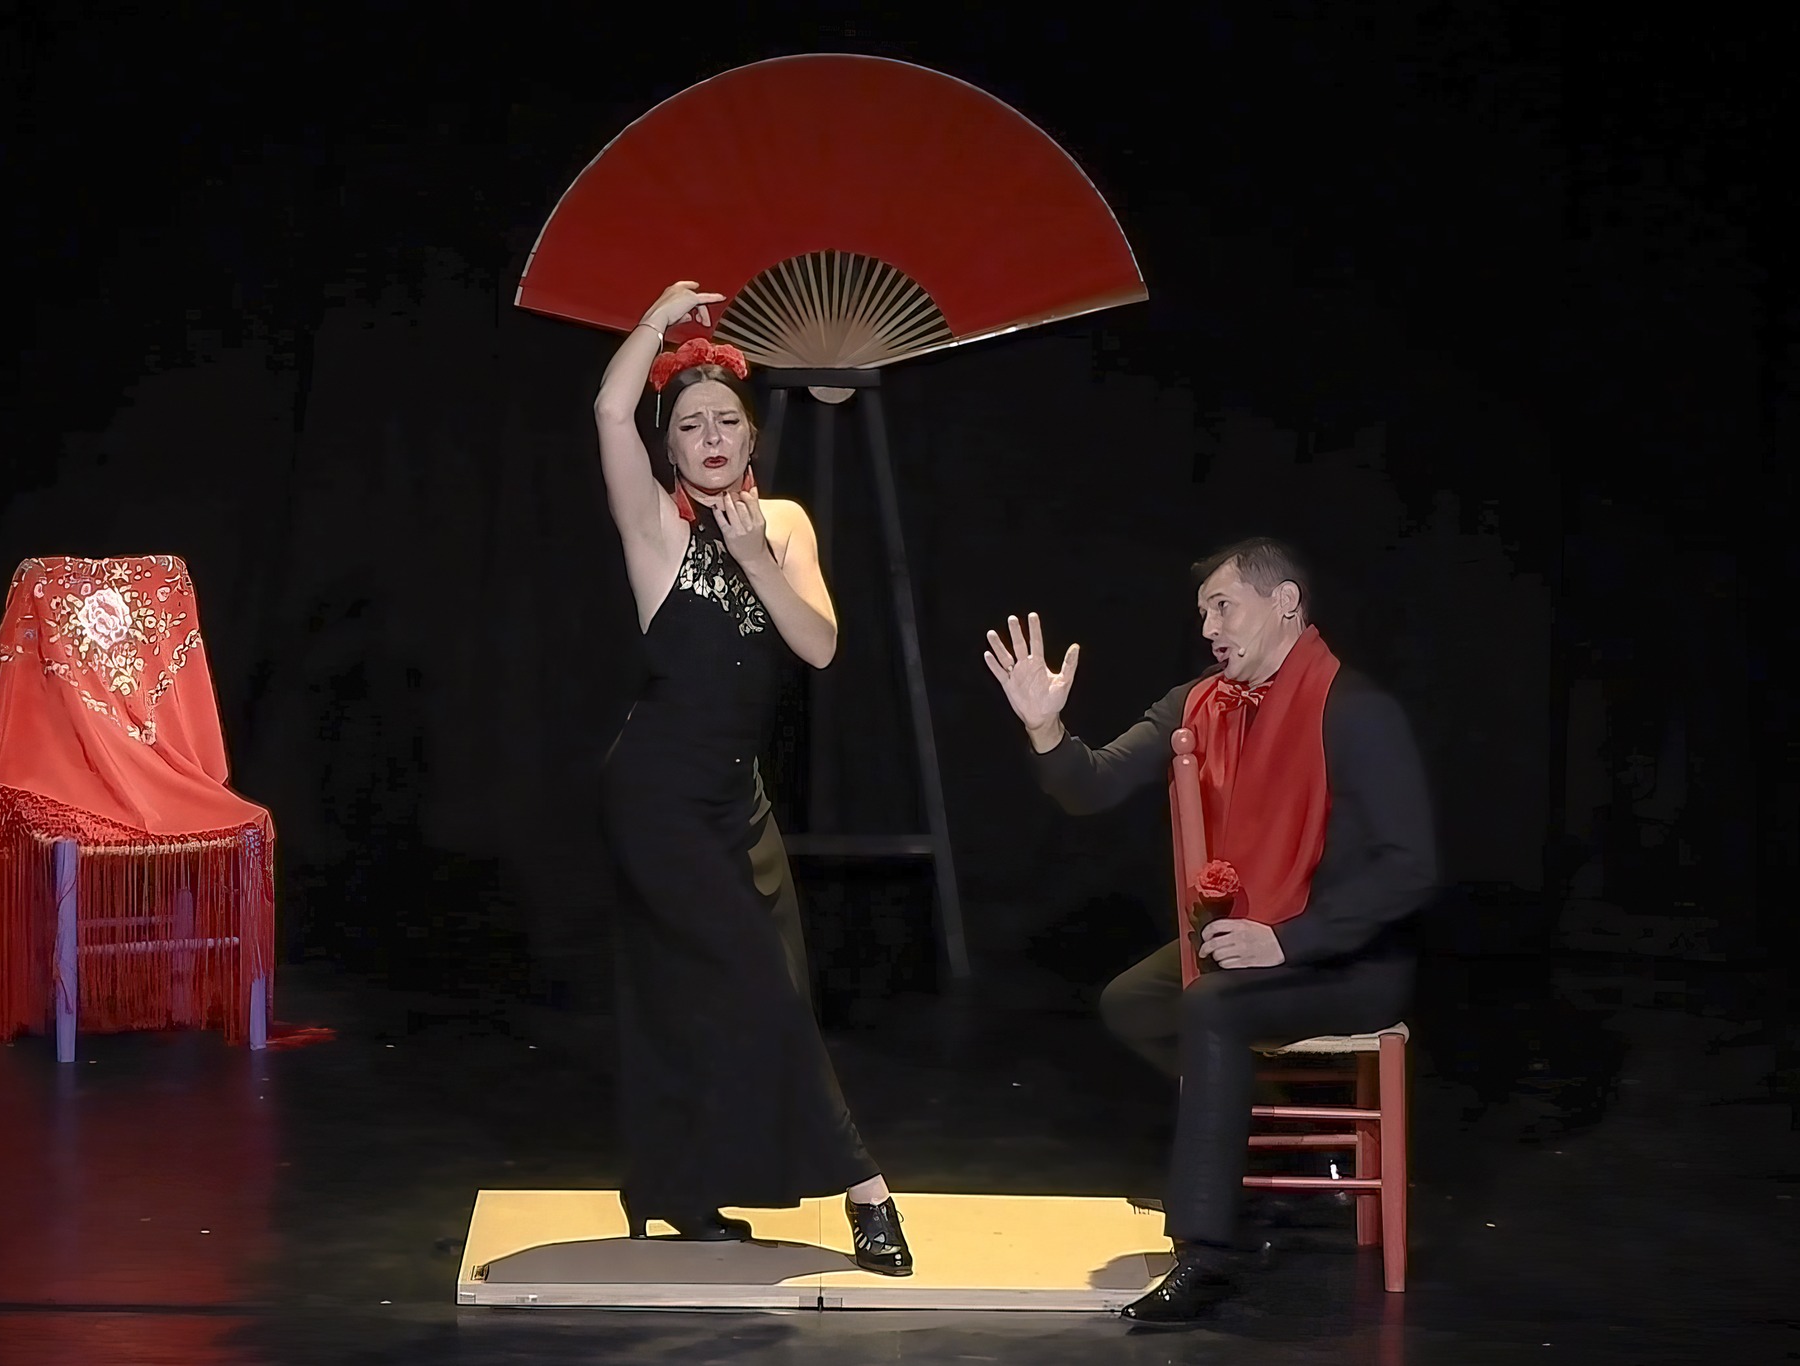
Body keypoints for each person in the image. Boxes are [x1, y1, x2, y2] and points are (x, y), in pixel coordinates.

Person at [982, 538, 1437, 1322]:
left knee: (1211, 1007)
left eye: (1223, 607)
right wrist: (1047, 729)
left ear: (1285, 603)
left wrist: (1288, 940)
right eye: (1203, 613)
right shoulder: (1198, 702)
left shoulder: (1356, 710)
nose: (1209, 629)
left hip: (1348, 956)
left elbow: (1409, 869)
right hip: (1251, 940)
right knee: (1135, 1000)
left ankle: (1207, 1253)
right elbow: (1093, 785)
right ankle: (1264, 1127)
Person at [590, 279, 912, 1275]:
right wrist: (654, 318)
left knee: (738, 993)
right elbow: (608, 409)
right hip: (656, 799)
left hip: (740, 801)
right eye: (689, 425)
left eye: (725, 420)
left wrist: (758, 558)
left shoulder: (783, 523)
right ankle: (866, 1190)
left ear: (749, 435)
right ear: (671, 448)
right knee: (757, 992)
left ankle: (682, 1189)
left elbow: (818, 646)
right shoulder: (655, 528)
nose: (710, 436)